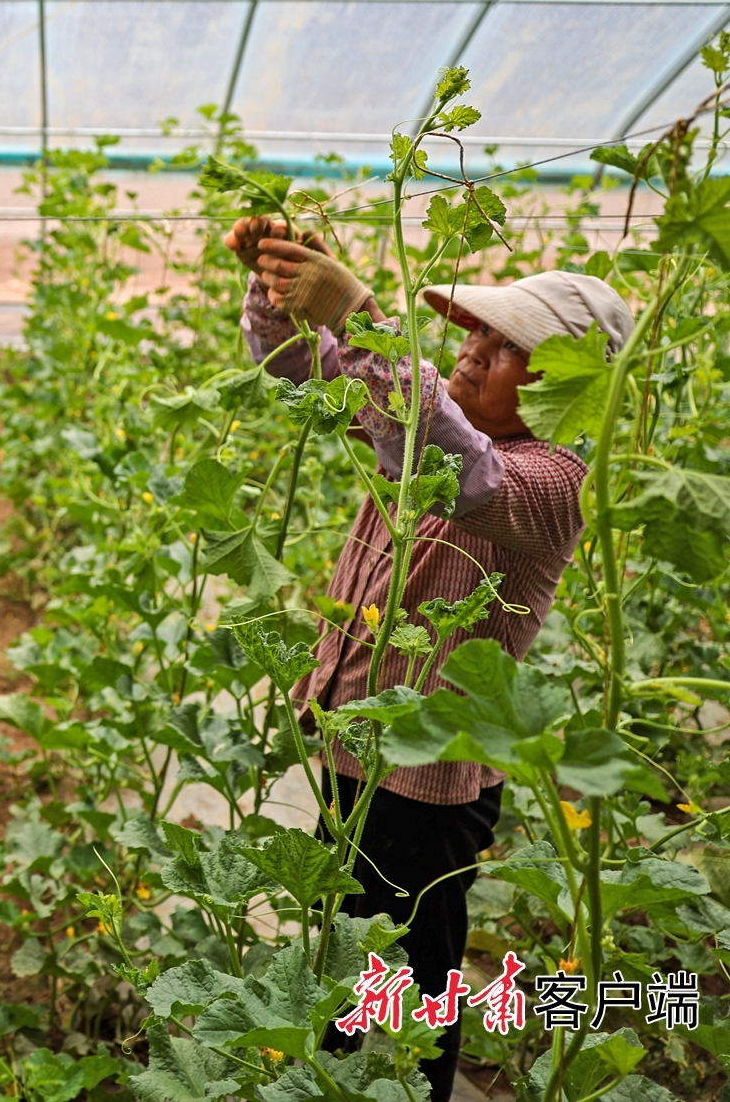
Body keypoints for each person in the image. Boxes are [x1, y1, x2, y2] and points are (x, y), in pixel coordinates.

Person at [224, 216, 632, 1102]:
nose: (477, 350)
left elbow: (450, 449)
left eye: (509, 346)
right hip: (353, 744)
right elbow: (305, 364)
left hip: (430, 784)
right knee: (348, 955)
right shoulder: (420, 424)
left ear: (568, 389)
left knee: (413, 976)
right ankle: (340, 1085)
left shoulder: (550, 482)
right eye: (479, 332)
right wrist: (280, 289)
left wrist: (365, 321)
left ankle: (414, 1094)